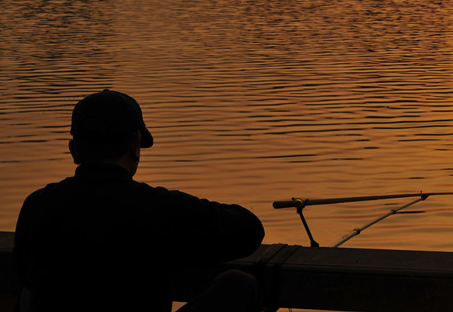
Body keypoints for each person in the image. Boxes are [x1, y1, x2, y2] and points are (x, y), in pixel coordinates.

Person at [14, 89, 265, 312]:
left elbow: (24, 273)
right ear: (135, 146)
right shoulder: (159, 207)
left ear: (74, 150)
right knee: (238, 284)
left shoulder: (36, 205)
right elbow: (250, 230)